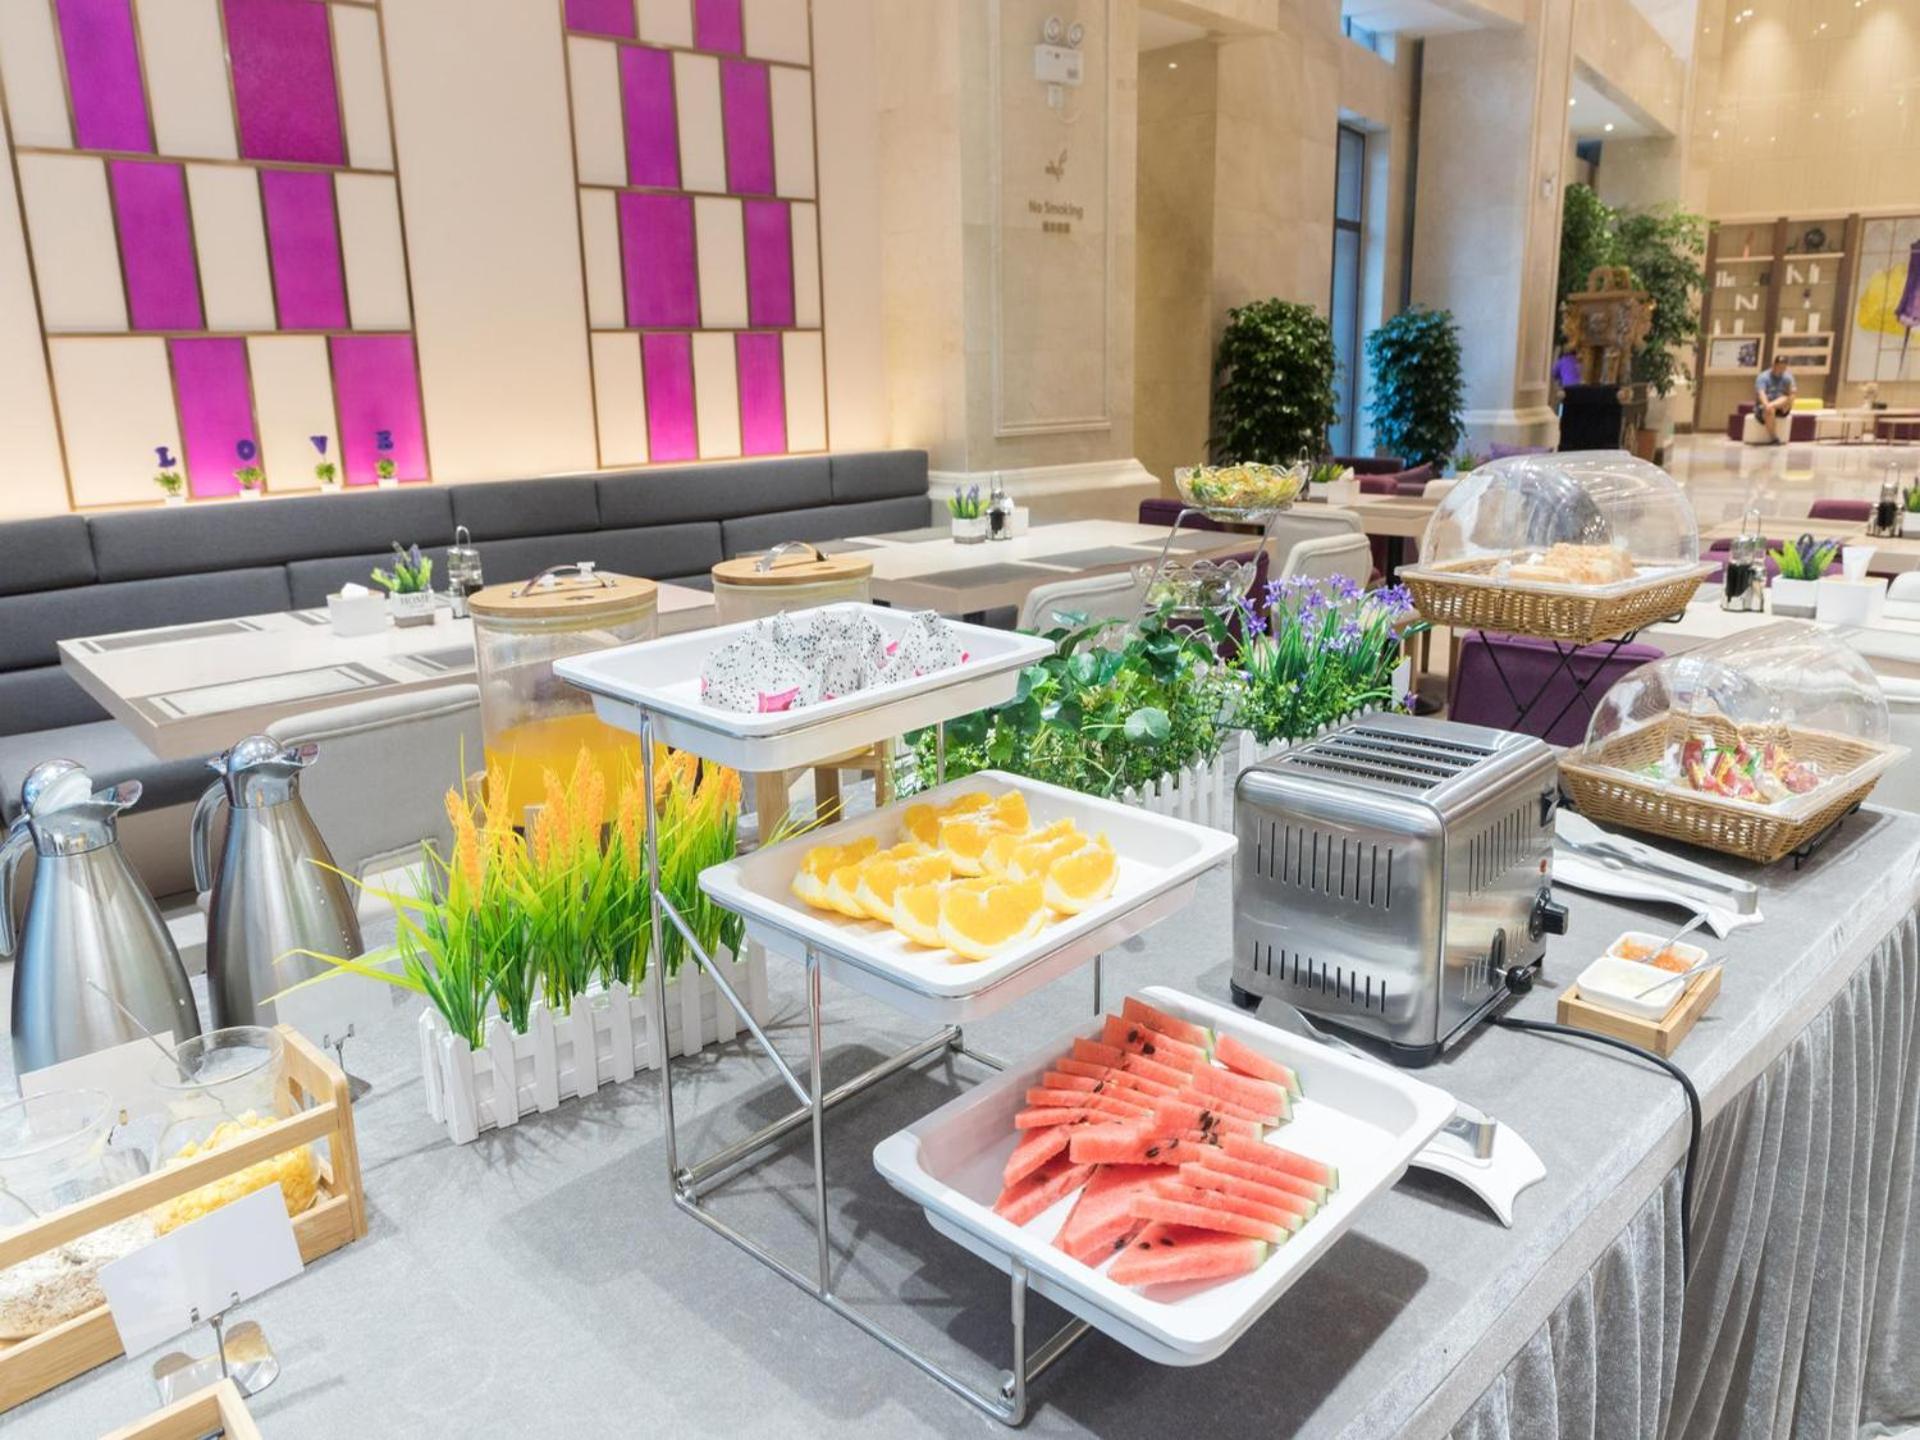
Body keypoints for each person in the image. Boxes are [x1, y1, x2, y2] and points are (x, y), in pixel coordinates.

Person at [1754, 356, 1797, 445]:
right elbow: (1761, 394)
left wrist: (1789, 404)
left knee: (1786, 397)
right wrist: (1767, 405)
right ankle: (1774, 438)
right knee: (1770, 409)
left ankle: (1771, 406)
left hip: (1782, 406)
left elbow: (1792, 393)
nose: (1781, 369)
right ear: (1774, 365)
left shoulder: (1788, 377)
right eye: (1779, 366)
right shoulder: (1763, 377)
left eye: (1784, 367)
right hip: (1766, 406)